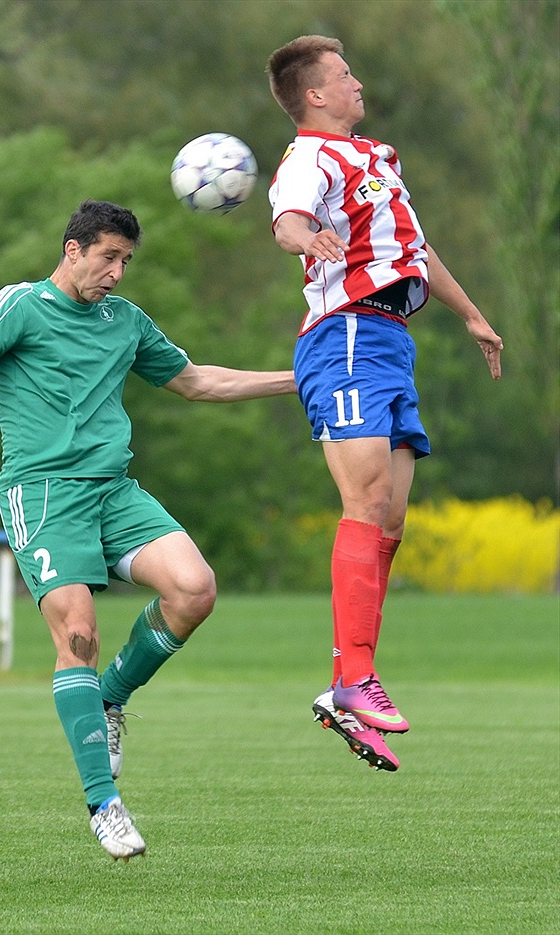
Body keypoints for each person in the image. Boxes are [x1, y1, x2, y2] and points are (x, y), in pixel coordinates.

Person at [0, 199, 296, 860]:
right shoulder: (19, 305)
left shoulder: (126, 322)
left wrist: (298, 377)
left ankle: (109, 698)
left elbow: (196, 381)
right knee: (78, 634)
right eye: (108, 256)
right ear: (72, 249)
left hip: (113, 490)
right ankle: (104, 803)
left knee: (194, 589)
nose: (117, 272)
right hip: (43, 494)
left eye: (126, 260)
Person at [265, 36, 503, 772]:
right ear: (314, 95)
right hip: (345, 334)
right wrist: (312, 239)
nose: (356, 82)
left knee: (391, 515)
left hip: (392, 341)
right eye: (344, 75)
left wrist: (471, 314)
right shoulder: (309, 156)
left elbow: (416, 251)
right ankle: (355, 679)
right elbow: (287, 222)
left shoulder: (376, 159)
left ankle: (346, 681)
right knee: (364, 499)